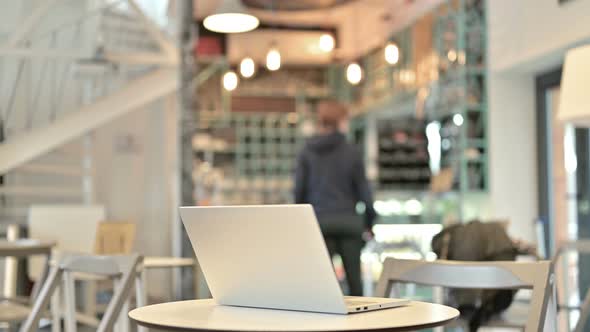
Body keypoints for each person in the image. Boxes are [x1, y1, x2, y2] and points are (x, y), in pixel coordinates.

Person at [294, 99, 377, 296]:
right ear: (341, 121)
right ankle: (360, 325)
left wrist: (301, 225)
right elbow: (365, 194)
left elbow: (299, 193)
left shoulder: (306, 152)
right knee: (355, 285)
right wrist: (369, 223)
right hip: (348, 223)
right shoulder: (352, 152)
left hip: (319, 224)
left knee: (322, 288)